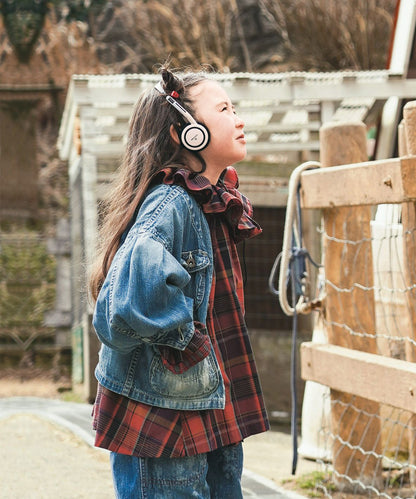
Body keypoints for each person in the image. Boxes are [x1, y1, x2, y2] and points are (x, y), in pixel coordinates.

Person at [89, 66, 270, 498]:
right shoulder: (171, 204)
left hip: (204, 404)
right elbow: (125, 303)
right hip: (165, 418)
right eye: (224, 109)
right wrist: (189, 344)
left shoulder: (208, 201)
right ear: (186, 134)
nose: (239, 119)